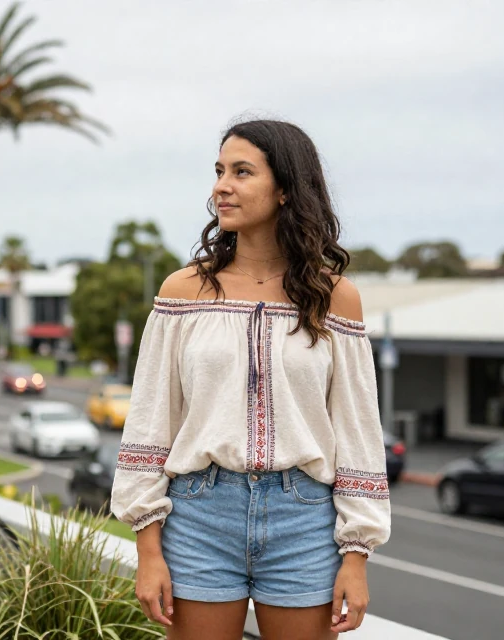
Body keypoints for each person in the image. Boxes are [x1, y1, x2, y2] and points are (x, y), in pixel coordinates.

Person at [111, 119, 391, 640]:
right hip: (198, 515)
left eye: (242, 172)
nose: (222, 185)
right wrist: (148, 549)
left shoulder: (336, 299)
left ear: (285, 189)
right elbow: (150, 420)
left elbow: (356, 430)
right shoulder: (183, 292)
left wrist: (357, 555)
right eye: (219, 171)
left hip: (304, 521)